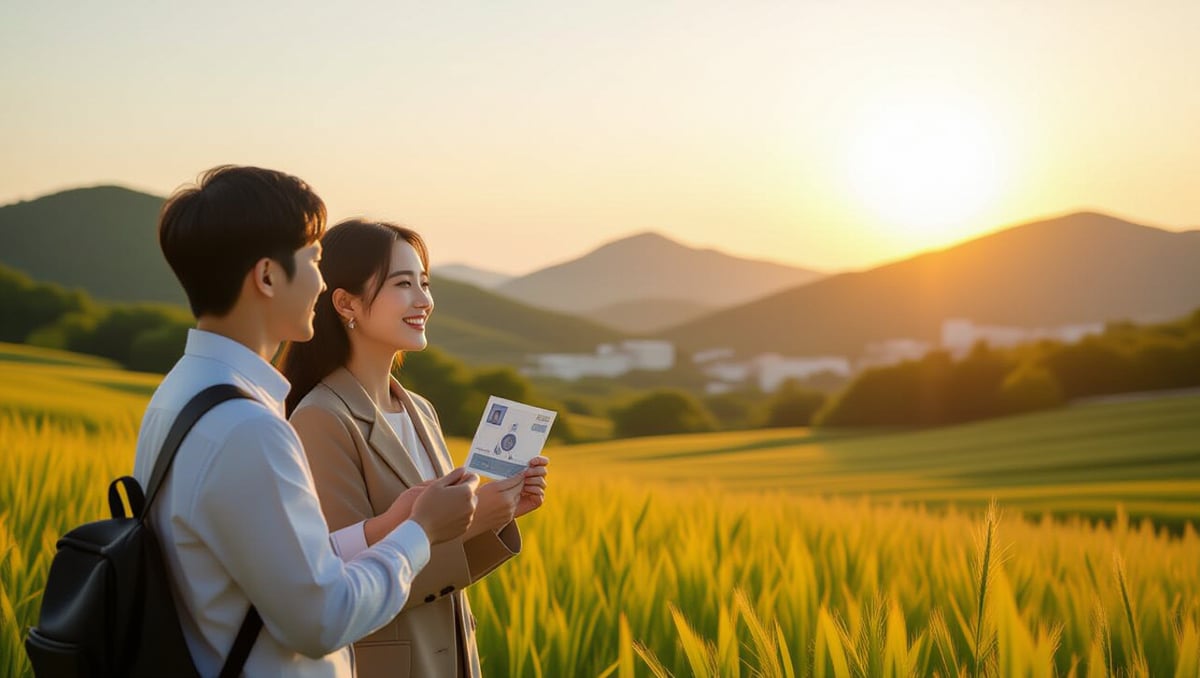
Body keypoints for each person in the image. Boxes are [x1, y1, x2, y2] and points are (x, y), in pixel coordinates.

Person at [134, 166, 479, 677]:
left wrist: (389, 525)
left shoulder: (180, 394)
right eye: (315, 261)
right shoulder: (248, 426)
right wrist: (419, 533)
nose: (321, 282)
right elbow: (320, 618)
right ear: (268, 276)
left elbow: (283, 563)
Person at [278, 219, 549, 678]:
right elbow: (344, 585)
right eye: (403, 284)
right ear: (345, 303)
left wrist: (496, 517)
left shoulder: (420, 410)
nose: (424, 300)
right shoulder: (322, 418)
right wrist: (470, 520)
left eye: (424, 283)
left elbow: (438, 566)